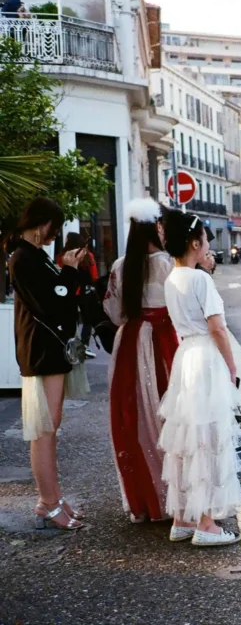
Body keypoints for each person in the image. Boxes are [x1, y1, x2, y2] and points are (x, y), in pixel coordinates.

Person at [158, 209, 241, 546]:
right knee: (209, 437)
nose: (208, 244)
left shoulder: (172, 278)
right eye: (206, 239)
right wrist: (232, 368)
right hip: (206, 357)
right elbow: (218, 328)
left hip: (185, 357)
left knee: (186, 439)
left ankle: (182, 518)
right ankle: (207, 524)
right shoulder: (200, 279)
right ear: (196, 242)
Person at [8, 198, 90, 531]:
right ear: (43, 224)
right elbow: (53, 302)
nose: (53, 236)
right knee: (44, 430)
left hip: (49, 350)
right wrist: (69, 271)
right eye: (53, 229)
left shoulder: (33, 257)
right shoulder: (23, 259)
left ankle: (53, 498)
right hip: (41, 351)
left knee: (49, 427)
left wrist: (66, 272)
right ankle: (47, 502)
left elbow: (59, 297)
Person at [104, 198, 178, 524]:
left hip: (130, 345)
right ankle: (176, 497)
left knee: (133, 418)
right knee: (171, 416)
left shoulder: (121, 266)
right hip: (164, 343)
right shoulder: (169, 264)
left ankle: (146, 499)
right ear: (156, 227)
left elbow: (114, 312)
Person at [57, 232, 99, 358]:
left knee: (71, 319)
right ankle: (85, 345)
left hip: (71, 290)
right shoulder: (88, 256)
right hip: (85, 291)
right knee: (87, 319)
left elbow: (61, 271)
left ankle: (71, 343)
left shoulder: (63, 256)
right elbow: (94, 275)